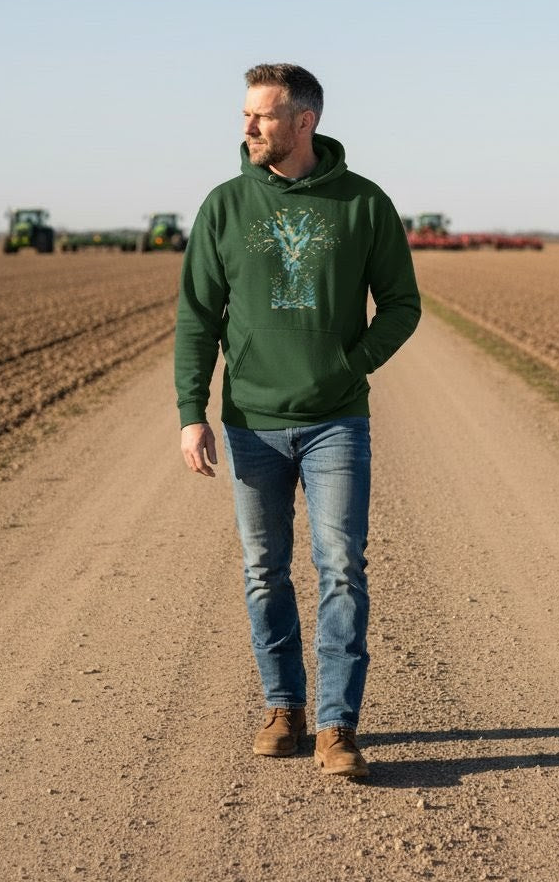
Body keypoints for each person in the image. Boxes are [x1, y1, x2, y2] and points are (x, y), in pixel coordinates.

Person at [174, 63, 420, 778]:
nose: (247, 126)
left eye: (263, 114)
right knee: (264, 571)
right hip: (251, 422)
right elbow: (197, 317)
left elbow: (402, 305)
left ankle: (338, 727)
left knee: (341, 568)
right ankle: (284, 708)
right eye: (245, 114)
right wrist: (192, 413)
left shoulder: (363, 203)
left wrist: (350, 365)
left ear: (303, 121)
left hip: (336, 422)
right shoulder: (224, 206)